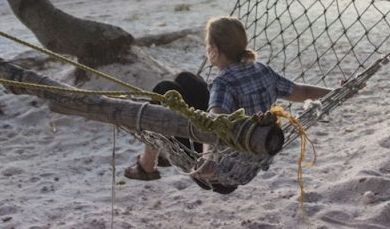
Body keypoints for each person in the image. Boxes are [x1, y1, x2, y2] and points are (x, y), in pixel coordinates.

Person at [124, 16, 330, 189]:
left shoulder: (223, 84)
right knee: (187, 79)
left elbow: (215, 125)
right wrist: (335, 92)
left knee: (164, 90)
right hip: (253, 155)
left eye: (207, 45)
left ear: (214, 49)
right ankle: (162, 154)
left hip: (218, 174)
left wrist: (208, 160)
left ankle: (147, 167)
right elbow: (303, 91)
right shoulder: (262, 70)